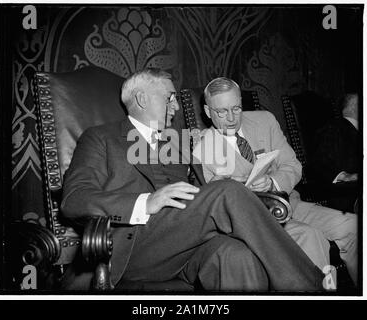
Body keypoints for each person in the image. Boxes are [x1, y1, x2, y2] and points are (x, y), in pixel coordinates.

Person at [61, 69, 325, 292]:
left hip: (184, 248)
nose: (176, 106)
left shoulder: (178, 144)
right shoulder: (100, 138)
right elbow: (75, 200)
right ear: (142, 99)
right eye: (170, 98)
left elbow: (201, 200)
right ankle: (311, 288)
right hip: (128, 249)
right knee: (226, 192)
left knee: (237, 256)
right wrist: (146, 202)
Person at [192, 77, 357, 286]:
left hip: (291, 203)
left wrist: (272, 182)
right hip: (258, 219)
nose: (232, 118)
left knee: (354, 227)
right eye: (222, 112)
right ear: (208, 112)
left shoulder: (264, 121)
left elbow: (293, 166)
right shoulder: (202, 150)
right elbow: (216, 212)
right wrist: (236, 188)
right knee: (310, 237)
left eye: (236, 108)